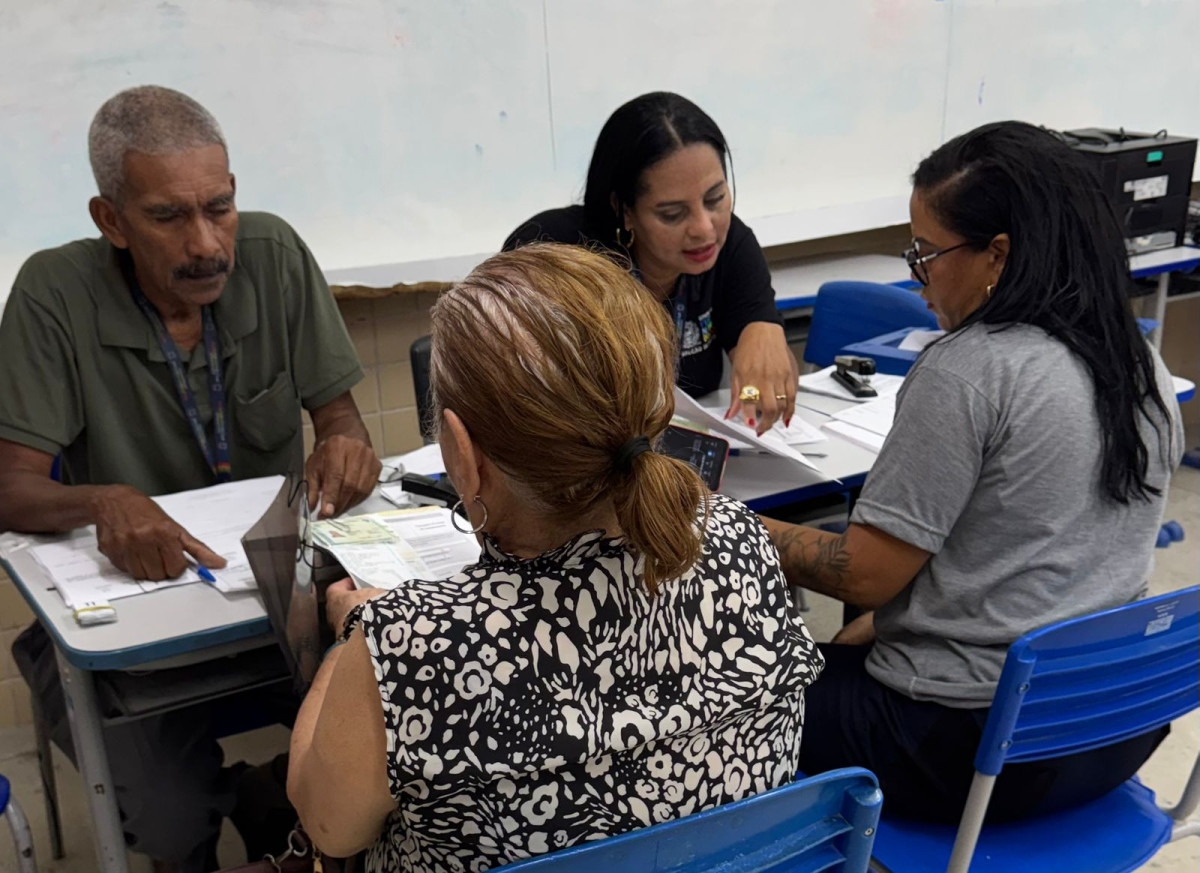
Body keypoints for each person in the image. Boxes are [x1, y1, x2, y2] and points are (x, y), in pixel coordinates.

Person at [288, 244, 823, 872]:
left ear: (462, 455)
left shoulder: (407, 647)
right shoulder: (744, 545)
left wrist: (353, 633)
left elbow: (328, 827)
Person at [0, 86, 381, 872]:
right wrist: (101, 498)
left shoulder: (273, 256)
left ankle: (280, 803)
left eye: (221, 206)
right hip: (126, 636)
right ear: (111, 221)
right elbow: (9, 488)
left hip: (273, 609)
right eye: (169, 216)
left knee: (385, 755)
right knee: (175, 827)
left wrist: (345, 446)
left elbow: (344, 421)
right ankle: (243, 800)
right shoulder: (52, 293)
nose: (208, 242)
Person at [762, 121, 1183, 824]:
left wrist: (722, 520)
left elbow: (863, 574)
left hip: (970, 748)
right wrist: (901, 621)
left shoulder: (970, 371)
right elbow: (1027, 557)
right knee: (848, 642)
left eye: (927, 253)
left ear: (998, 254)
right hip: (1109, 727)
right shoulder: (1140, 366)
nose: (917, 274)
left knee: (728, 700)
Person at [504, 91, 796, 435]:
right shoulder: (552, 253)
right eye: (672, 214)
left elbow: (771, 377)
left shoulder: (731, 243)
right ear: (624, 210)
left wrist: (766, 344)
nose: (704, 228)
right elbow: (512, 394)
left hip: (692, 463)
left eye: (715, 198)